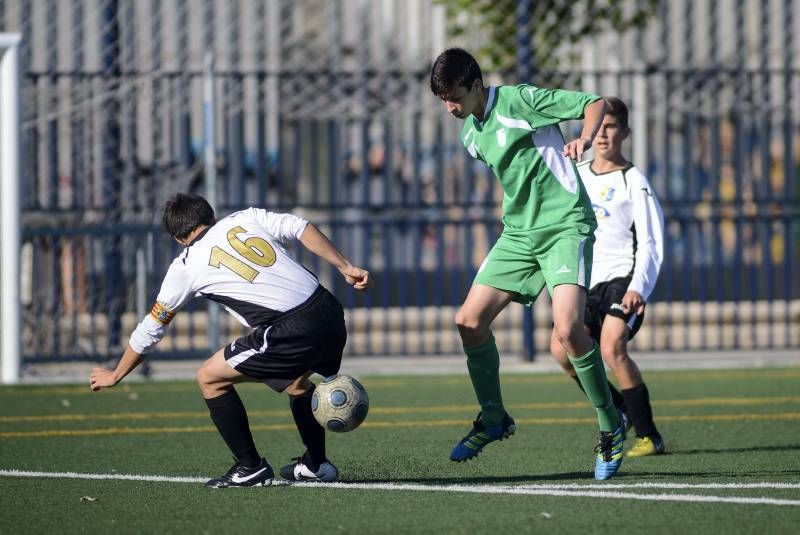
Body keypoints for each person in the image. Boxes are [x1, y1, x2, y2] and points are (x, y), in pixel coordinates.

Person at [429, 47, 625, 480]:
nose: (449, 108)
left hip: (564, 227)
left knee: (568, 331)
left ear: (477, 86)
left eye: (455, 97)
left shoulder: (520, 101)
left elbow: (596, 104)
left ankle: (612, 424)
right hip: (518, 235)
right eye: (443, 100)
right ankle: (494, 418)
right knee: (468, 321)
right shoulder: (471, 137)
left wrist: (586, 138)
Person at [89, 193, 369, 487]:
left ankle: (250, 467)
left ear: (178, 238)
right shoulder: (245, 218)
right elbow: (299, 226)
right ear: (211, 216)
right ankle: (316, 465)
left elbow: (152, 326)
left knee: (209, 377)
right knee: (297, 382)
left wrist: (117, 373)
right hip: (328, 310)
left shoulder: (184, 266)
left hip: (291, 328)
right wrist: (345, 266)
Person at [550, 97, 666, 457]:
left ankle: (649, 436)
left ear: (625, 133)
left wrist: (637, 287)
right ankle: (617, 409)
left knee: (612, 345)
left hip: (622, 280)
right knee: (560, 349)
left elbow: (650, 241)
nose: (603, 134)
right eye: (598, 127)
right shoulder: (577, 173)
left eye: (612, 126)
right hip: (587, 281)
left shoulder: (634, 180)